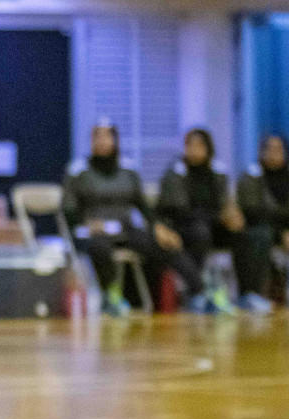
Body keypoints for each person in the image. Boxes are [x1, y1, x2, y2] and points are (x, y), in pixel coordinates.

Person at [62, 123, 205, 316]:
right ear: (91, 141)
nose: (103, 141)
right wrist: (85, 223)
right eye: (98, 137)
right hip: (93, 232)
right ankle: (110, 297)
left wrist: (158, 227)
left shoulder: (128, 170)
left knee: (162, 243)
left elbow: (143, 206)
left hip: (124, 228)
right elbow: (68, 209)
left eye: (107, 136)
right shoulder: (78, 171)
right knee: (100, 248)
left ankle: (199, 293)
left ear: (115, 140)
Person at [156, 128, 243, 313]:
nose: (194, 149)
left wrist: (232, 217)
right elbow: (178, 210)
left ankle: (247, 294)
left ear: (208, 148)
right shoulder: (175, 172)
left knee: (246, 234)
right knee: (199, 232)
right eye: (190, 145)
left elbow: (223, 206)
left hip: (212, 225)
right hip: (182, 226)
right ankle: (199, 291)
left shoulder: (218, 173)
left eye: (199, 145)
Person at [235, 133, 289, 310]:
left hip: (283, 230)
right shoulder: (251, 175)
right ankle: (253, 294)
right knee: (261, 234)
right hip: (259, 230)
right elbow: (253, 211)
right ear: (261, 152)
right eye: (270, 149)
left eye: (278, 149)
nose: (274, 153)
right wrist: (282, 232)